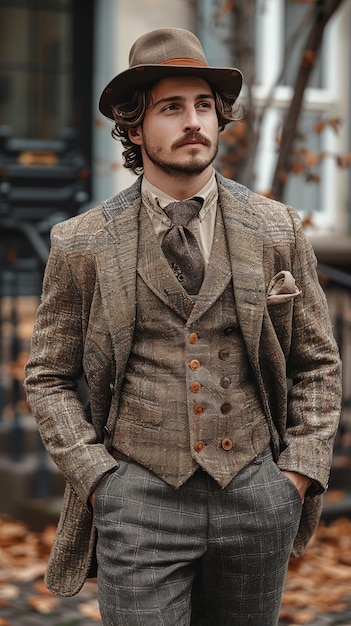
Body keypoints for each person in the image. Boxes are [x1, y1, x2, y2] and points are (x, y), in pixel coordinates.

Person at [24, 27, 342, 626]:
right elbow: (47, 376)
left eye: (203, 106)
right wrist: (98, 481)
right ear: (134, 126)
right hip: (137, 504)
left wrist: (296, 474)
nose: (193, 121)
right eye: (170, 107)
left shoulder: (276, 229)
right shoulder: (83, 242)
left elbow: (317, 363)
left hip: (257, 497)